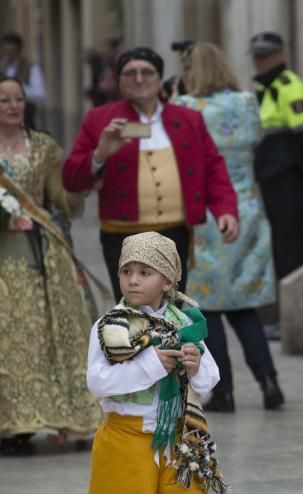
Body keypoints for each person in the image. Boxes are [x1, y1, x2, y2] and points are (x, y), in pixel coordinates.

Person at [83, 231, 252, 494]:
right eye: (127, 271)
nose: (133, 280)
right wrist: (154, 365)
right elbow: (98, 381)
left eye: (145, 272)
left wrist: (195, 367)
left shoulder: (185, 323)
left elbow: (210, 380)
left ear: (168, 280)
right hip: (124, 437)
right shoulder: (109, 328)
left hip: (179, 435)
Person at [62, 46, 240, 302]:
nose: (139, 78)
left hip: (174, 232)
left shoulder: (188, 119)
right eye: (130, 73)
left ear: (160, 78)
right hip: (122, 234)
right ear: (120, 80)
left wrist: (225, 210)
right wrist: (99, 154)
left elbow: (213, 167)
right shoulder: (99, 119)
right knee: (134, 309)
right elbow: (70, 179)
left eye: (147, 72)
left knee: (173, 308)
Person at [175, 43, 283, 413]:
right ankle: (268, 378)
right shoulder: (247, 102)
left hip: (208, 210)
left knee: (209, 307)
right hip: (247, 206)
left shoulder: (188, 108)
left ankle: (223, 391)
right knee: (243, 302)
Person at [0, 75, 101, 456]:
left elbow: (62, 197)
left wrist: (80, 187)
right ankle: (11, 426)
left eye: (18, 99)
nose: (12, 106)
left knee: (45, 335)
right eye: (4, 100)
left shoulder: (42, 147)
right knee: (8, 341)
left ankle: (59, 416)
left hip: (40, 254)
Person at [250, 31, 303, 283]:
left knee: (290, 240)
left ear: (280, 55)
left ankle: (298, 294)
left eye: (265, 55)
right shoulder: (265, 87)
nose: (259, 61)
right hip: (272, 172)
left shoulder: (288, 85)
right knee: (281, 241)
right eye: (256, 56)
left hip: (287, 173)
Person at [0, 33, 46, 128]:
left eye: (12, 51)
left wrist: (17, 90)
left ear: (19, 50)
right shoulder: (1, 67)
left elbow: (40, 94)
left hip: (25, 121)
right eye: (6, 51)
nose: (9, 55)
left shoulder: (31, 68)